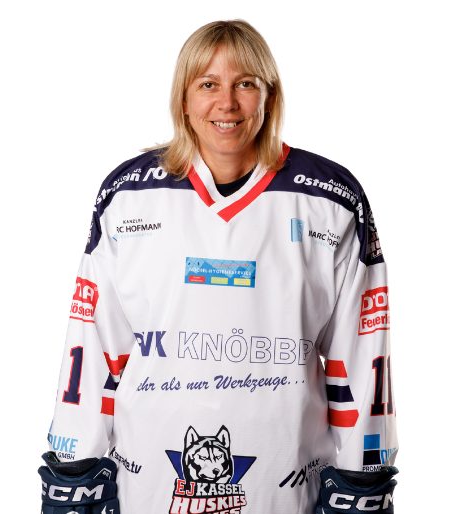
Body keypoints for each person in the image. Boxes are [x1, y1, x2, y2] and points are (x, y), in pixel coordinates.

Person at [39, 20, 398, 514]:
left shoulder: (330, 198)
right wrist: (72, 467)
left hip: (287, 494)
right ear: (183, 99)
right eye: (208, 84)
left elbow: (361, 352)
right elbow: (94, 345)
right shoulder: (127, 195)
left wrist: (363, 477)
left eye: (245, 84)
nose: (226, 103)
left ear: (269, 96)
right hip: (150, 492)